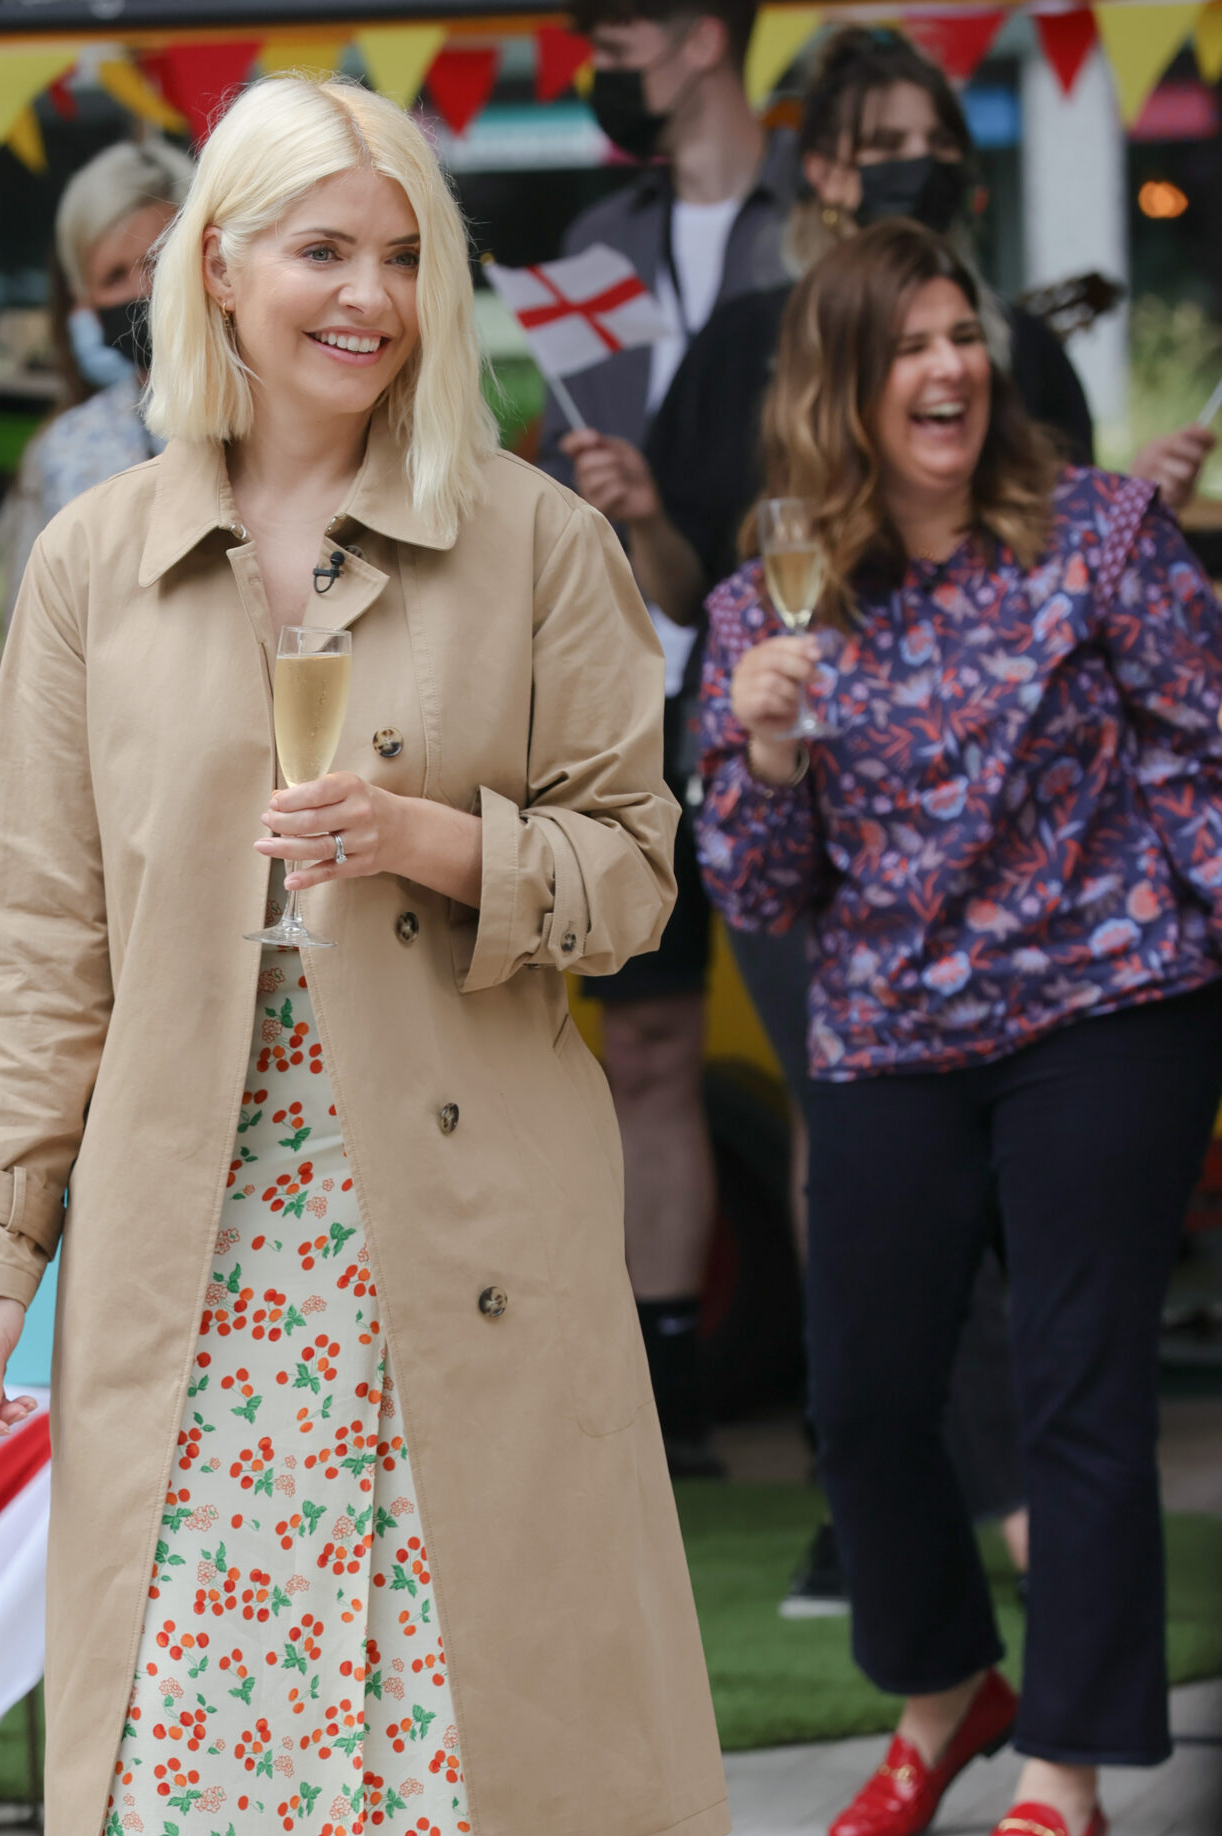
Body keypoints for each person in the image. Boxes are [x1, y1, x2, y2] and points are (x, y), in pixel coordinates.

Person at [0, 72, 726, 1836]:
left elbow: (640, 871)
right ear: (214, 275)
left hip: (448, 1244)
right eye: (318, 257)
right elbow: (35, 926)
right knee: (142, 1779)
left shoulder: (521, 543)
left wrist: (436, 841)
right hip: (197, 1236)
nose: (367, 300)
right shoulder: (91, 555)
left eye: (398, 259)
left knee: (417, 1763)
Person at [601, 24, 1205, 1605]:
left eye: (928, 139)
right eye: (872, 142)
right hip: (837, 875)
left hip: (1064, 921)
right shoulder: (740, 345)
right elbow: (686, 604)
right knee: (863, 1193)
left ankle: (1010, 1511)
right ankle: (891, 1529)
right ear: (817, 167)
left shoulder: (1013, 356)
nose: (902, 165)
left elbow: (1094, 600)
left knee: (1039, 1240)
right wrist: (669, 558)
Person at [697, 219, 1222, 1836]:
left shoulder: (1102, 537)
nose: (946, 369)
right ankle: (944, 1693)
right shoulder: (756, 609)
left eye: (958, 338)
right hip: (885, 1035)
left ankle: (1059, 1765)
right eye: (907, 346)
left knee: (1076, 1385)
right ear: (838, 393)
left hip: (1104, 1008)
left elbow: (1204, 761)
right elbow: (758, 889)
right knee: (860, 1403)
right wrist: (765, 753)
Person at [541, 0, 801, 1473]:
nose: (602, 53)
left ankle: (865, 1405)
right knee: (639, 1042)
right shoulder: (596, 233)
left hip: (788, 685)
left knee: (832, 1047)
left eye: (619, 24)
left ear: (702, 33)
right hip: (627, 693)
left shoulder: (808, 220)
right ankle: (671, 1403)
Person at [0, 137, 193, 621]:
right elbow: (38, 634)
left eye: (156, 259)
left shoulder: (284, 412)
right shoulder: (67, 450)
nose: (143, 290)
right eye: (113, 276)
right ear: (83, 300)